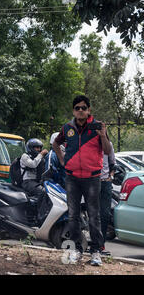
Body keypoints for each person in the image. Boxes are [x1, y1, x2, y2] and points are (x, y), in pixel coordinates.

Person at [53, 95, 111, 266]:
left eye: (83, 108)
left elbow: (107, 151)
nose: (80, 110)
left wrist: (102, 136)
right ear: (73, 110)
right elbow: (56, 144)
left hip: (92, 178)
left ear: (89, 110)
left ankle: (95, 252)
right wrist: (62, 159)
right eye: (77, 108)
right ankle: (77, 250)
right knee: (73, 215)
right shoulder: (67, 128)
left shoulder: (97, 127)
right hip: (72, 177)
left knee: (94, 215)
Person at [99, 141, 115, 255]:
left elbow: (113, 164)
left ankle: (100, 245)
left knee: (104, 214)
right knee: (91, 214)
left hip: (105, 183)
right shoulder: (87, 142)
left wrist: (111, 177)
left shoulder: (108, 145)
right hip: (89, 182)